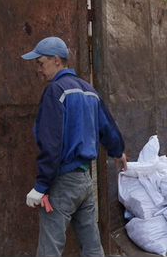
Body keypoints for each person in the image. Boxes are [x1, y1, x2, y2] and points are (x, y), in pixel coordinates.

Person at [22, 36, 128, 256]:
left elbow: (52, 143)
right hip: (84, 182)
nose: (38, 70)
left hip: (62, 183)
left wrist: (41, 186)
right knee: (91, 246)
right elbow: (107, 126)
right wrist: (118, 152)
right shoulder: (89, 90)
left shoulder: (56, 91)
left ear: (57, 61)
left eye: (41, 63)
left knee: (50, 248)